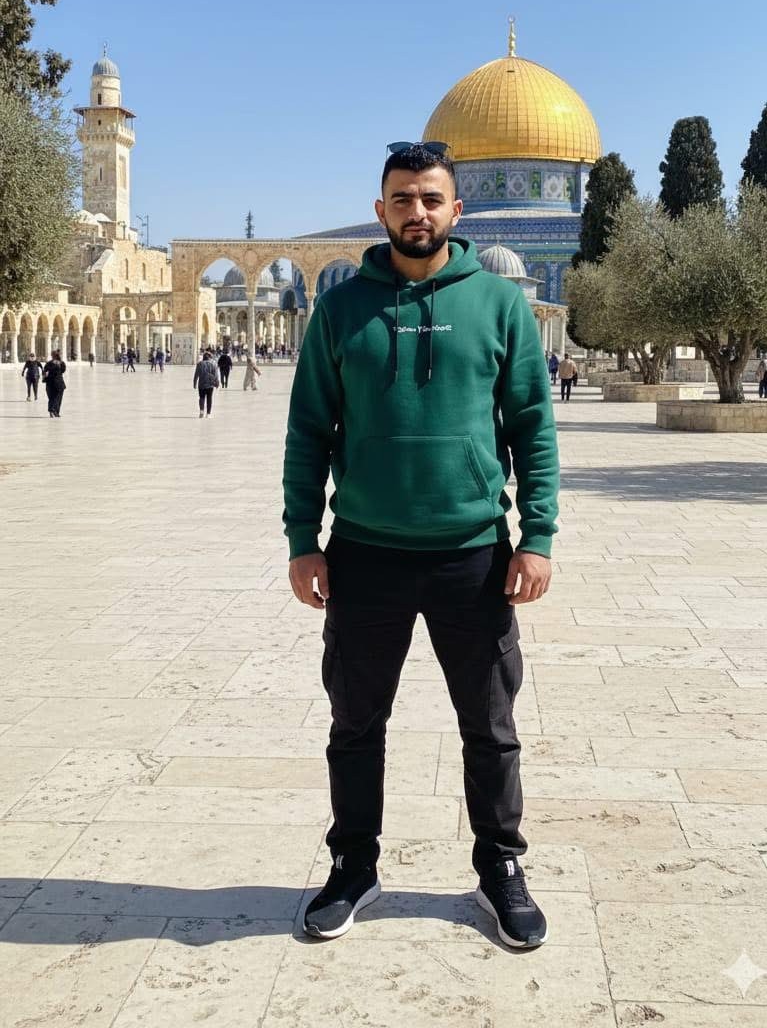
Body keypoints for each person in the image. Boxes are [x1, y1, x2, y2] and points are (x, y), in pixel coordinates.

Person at [283, 142, 559, 949]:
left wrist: (536, 535)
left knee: (490, 725)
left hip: (472, 552)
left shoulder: (498, 304)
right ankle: (353, 866)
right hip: (364, 551)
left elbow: (533, 428)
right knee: (355, 723)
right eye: (402, 199)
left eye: (431, 199)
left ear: (456, 210)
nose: (417, 212)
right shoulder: (342, 309)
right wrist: (303, 539)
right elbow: (308, 432)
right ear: (381, 210)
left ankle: (500, 866)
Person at [193, 350, 220, 417]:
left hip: (201, 384)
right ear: (210, 357)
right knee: (209, 398)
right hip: (210, 384)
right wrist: (217, 383)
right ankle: (208, 414)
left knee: (201, 398)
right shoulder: (214, 364)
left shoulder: (199, 364)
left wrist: (194, 383)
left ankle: (201, 411)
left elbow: (196, 374)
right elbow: (216, 375)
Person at [42, 351, 66, 417]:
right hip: (59, 383)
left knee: (52, 398)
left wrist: (45, 375)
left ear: (52, 356)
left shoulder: (49, 363)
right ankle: (56, 412)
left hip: (50, 383)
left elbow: (44, 371)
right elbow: (63, 370)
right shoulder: (61, 363)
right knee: (59, 398)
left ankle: (51, 411)